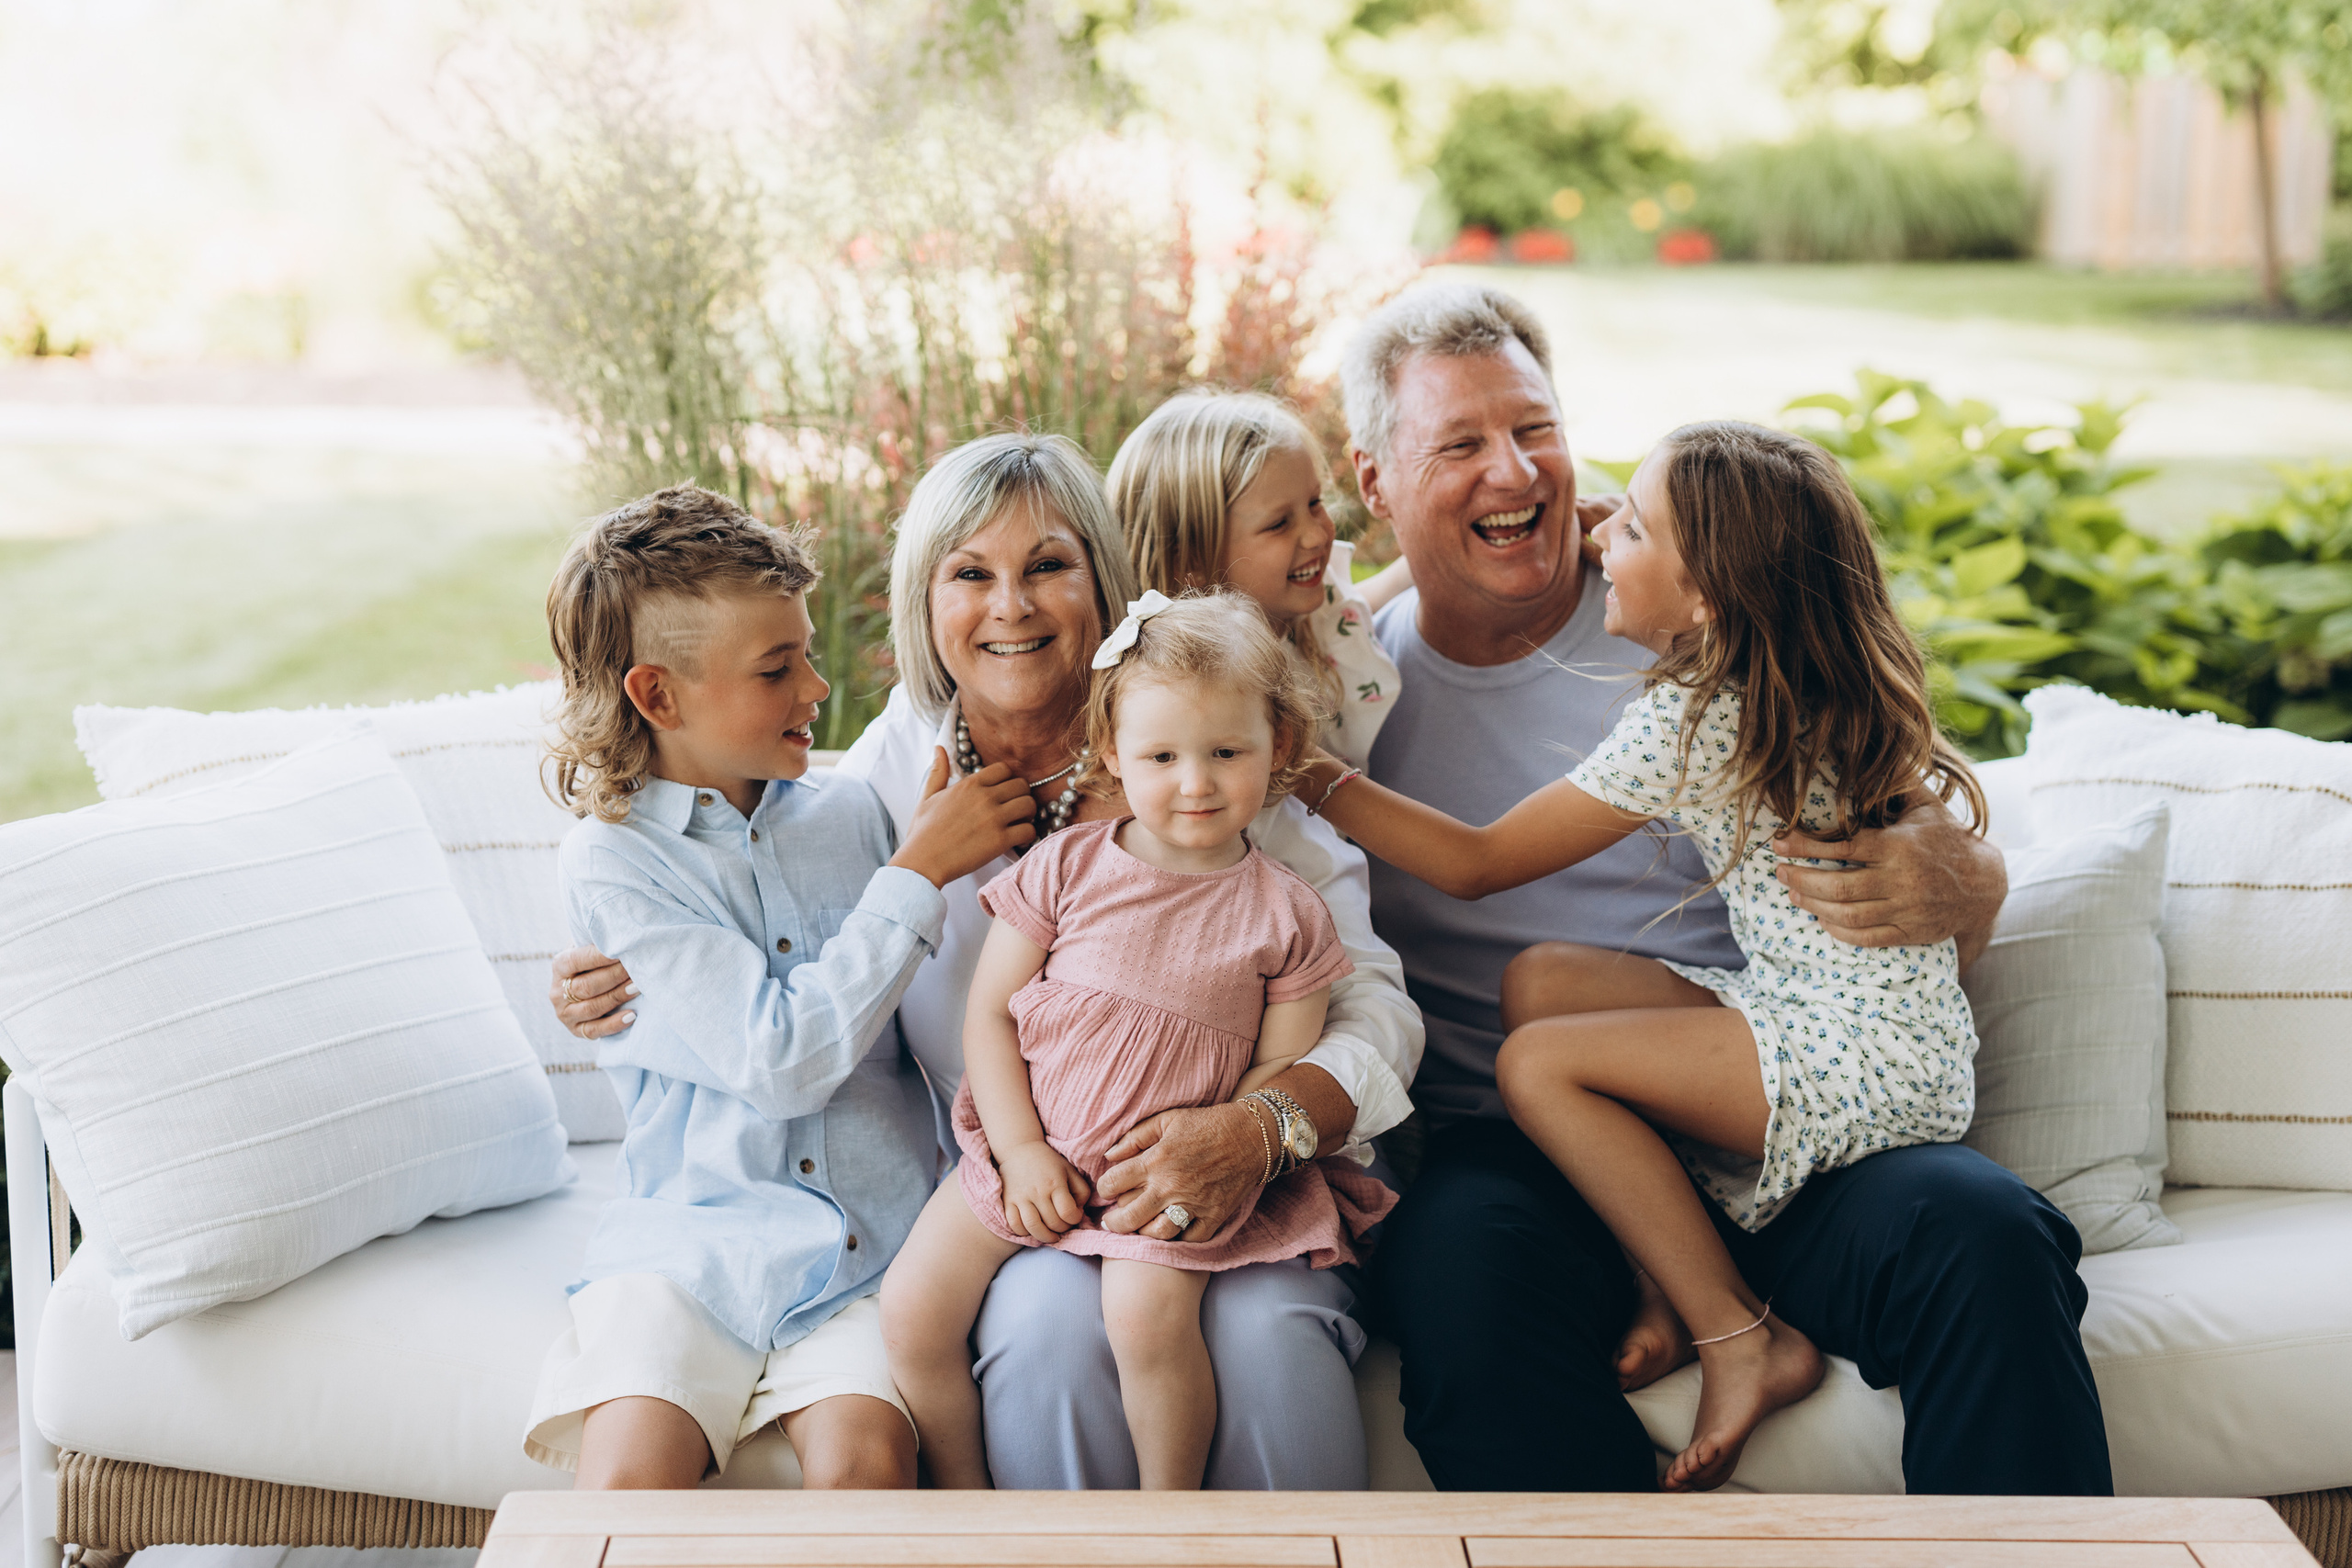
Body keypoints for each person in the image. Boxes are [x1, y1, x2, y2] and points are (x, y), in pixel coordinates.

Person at [1348, 280, 2110, 1495]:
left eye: (1535, 428)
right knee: (1460, 1277)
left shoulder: (1705, 620)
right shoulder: (1343, 693)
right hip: (1532, 1148)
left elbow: (1909, 811)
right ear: (1375, 483)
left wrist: (1966, 873)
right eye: (1459, 444)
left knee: (1985, 1234)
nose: (1516, 471)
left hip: (1774, 1097)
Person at [550, 433, 1424, 1489]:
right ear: (926, 601)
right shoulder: (878, 791)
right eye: (969, 573)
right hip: (1022, 1181)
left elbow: (1375, 1008)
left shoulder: (1197, 740)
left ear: (1101, 583)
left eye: (1047, 565)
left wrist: (1258, 1128)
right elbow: (771, 953)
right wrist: (611, 985)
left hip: (1242, 1175)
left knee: (1265, 1334)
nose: (1010, 605)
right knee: (1042, 1336)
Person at [524, 485, 1033, 1490]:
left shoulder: (854, 814)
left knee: (866, 1466)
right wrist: (914, 876)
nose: (816, 686)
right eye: (776, 668)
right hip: (689, 1252)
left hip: (863, 1253)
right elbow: (782, 1060)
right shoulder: (614, 860)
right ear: (658, 696)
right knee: (628, 1479)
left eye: (806, 651)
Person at [884, 592, 1394, 1490]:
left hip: (1159, 1179)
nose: (1195, 783)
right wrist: (1021, 1151)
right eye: (1162, 756)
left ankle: (1167, 1519)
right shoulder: (1067, 866)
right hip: (1029, 1151)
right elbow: (992, 1015)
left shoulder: (1287, 912)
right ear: (1111, 751)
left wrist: (1213, 1152)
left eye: (1225, 753)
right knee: (913, 1312)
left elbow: (1279, 1065)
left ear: (1277, 744)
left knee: (1146, 1322)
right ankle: (967, 1507)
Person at [1108, 390, 1411, 766]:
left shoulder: (1303, 614)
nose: (1317, 535)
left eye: (1315, 503)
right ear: (1192, 560)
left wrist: (1419, 563)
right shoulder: (1201, 696)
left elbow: (1355, 604)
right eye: (1279, 524)